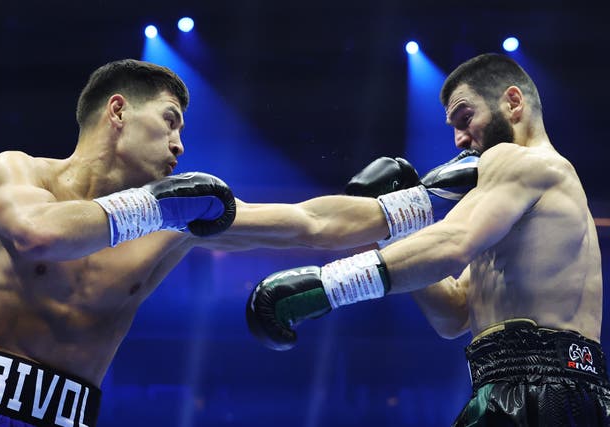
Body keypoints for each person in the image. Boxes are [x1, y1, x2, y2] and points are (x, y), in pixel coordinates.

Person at [0, 58, 479, 427]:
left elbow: (309, 222)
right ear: (118, 111)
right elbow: (39, 234)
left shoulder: (174, 223)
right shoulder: (19, 172)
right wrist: (158, 205)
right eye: (169, 119)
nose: (180, 144)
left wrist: (423, 201)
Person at [246, 53, 610, 426]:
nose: (459, 140)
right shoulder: (519, 200)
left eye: (466, 118)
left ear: (512, 102)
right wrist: (399, 233)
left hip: (539, 389)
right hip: (534, 387)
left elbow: (453, 242)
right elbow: (453, 314)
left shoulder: (524, 162)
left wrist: (331, 286)